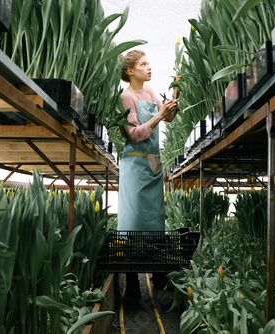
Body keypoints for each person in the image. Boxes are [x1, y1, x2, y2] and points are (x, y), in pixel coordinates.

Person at [117, 50, 179, 297]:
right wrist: (159, 115)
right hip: (134, 166)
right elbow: (133, 134)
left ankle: (158, 277)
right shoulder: (126, 97)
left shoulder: (151, 92)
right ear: (131, 71)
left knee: (155, 220)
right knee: (132, 222)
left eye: (148, 63)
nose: (149, 67)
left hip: (152, 164)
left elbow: (168, 120)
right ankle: (132, 282)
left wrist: (172, 103)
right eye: (144, 64)